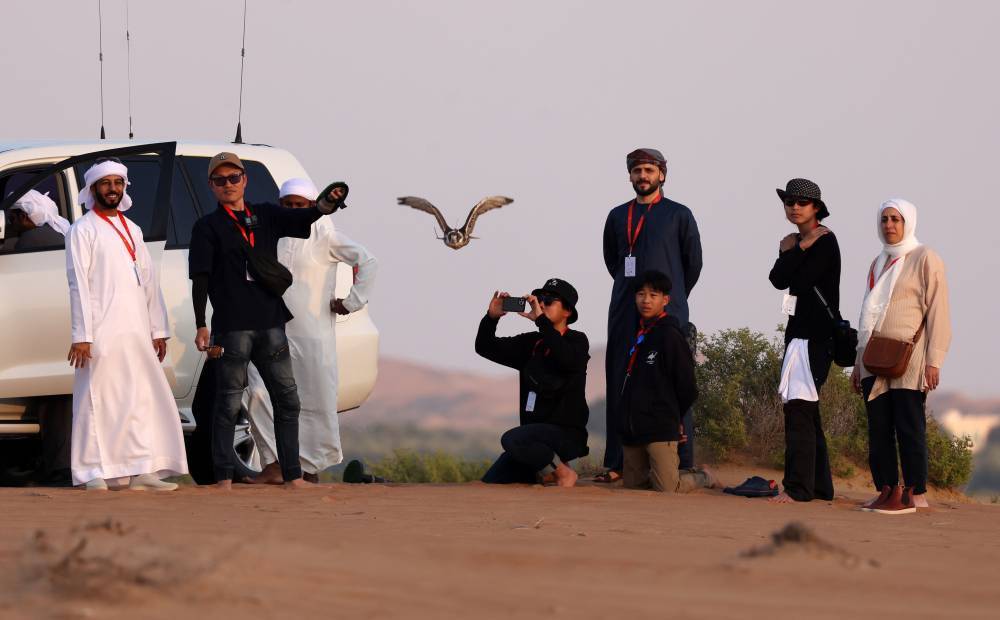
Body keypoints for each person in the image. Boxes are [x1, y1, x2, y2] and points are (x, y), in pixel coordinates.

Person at [188, 153, 343, 490]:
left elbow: (302, 219)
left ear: (244, 180)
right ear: (212, 186)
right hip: (231, 326)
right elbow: (199, 279)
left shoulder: (266, 215)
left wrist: (324, 204)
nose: (228, 185)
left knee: (287, 399)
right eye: (220, 180)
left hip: (271, 323)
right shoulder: (207, 227)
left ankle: (292, 475)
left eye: (233, 178)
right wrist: (202, 323)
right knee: (228, 401)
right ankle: (223, 479)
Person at [244, 177, 378, 484]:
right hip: (272, 327)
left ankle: (310, 466)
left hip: (313, 335)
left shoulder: (325, 235)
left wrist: (351, 302)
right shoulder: (270, 232)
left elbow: (368, 262)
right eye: (287, 205)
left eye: (299, 206)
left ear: (310, 207)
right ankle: (275, 463)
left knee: (314, 400)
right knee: (260, 393)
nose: (292, 210)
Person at [65, 158, 188, 491]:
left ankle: (140, 470)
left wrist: (158, 330)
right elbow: (77, 283)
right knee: (97, 399)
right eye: (106, 183)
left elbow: (149, 282)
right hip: (100, 331)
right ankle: (93, 473)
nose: (113, 189)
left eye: (118, 183)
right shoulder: (83, 230)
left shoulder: (133, 229)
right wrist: (82, 335)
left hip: (135, 330)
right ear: (92, 189)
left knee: (138, 398)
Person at [601, 148, 702, 482]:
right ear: (629, 176)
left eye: (648, 170)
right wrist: (632, 293)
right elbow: (612, 261)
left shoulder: (679, 215)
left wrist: (670, 299)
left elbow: (693, 264)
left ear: (661, 175)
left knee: (670, 379)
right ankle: (618, 462)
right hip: (625, 309)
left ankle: (683, 460)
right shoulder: (617, 216)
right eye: (636, 171)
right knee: (621, 377)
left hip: (667, 312)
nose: (642, 176)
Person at [851, 199, 950, 514]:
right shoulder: (877, 262)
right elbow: (867, 314)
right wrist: (858, 363)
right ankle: (887, 489)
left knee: (909, 426)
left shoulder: (925, 257)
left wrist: (934, 360)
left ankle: (916, 492)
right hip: (873, 358)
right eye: (884, 219)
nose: (889, 225)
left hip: (910, 358)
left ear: (908, 222)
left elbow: (938, 311)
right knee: (878, 428)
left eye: (895, 219)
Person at [474, 279, 590, 487]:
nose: (542, 304)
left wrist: (541, 322)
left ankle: (563, 473)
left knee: (510, 439)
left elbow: (566, 359)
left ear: (567, 312)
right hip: (532, 441)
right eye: (540, 299)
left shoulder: (577, 341)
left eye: (550, 300)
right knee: (492, 482)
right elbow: (485, 347)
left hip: (565, 434)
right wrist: (491, 318)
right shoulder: (531, 343)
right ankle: (545, 472)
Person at [767, 178, 840, 504]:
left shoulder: (825, 241)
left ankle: (798, 489)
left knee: (798, 410)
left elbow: (801, 278)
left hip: (815, 337)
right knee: (806, 412)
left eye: (801, 202)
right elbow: (778, 280)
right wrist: (796, 248)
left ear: (816, 208)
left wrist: (797, 249)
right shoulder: (793, 242)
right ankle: (820, 487)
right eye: (789, 202)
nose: (794, 207)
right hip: (798, 335)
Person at [619, 270, 715, 492]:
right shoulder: (638, 334)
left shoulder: (671, 336)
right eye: (641, 294)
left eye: (653, 295)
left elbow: (688, 387)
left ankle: (703, 476)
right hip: (633, 429)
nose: (646, 300)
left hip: (660, 428)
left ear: (665, 300)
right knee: (633, 487)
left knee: (668, 488)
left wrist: (673, 416)